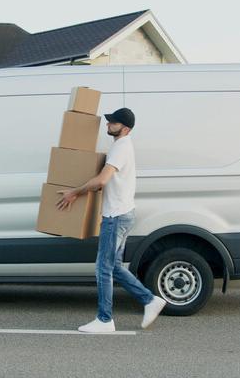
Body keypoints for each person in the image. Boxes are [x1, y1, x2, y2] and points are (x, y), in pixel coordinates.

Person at [56, 108, 166, 333]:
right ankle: (149, 300)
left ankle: (105, 320)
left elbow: (101, 181)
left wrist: (74, 192)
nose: (108, 125)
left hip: (115, 216)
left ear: (124, 128)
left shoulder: (121, 147)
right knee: (113, 266)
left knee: (103, 268)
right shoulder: (122, 146)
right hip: (124, 213)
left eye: (113, 123)